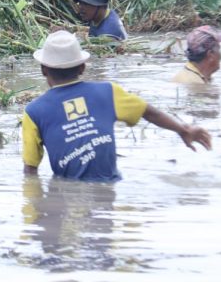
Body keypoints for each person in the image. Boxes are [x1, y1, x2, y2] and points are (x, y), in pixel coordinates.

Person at [22, 30, 211, 181]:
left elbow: (30, 171)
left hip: (67, 195)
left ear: (43, 70)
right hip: (110, 185)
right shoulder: (108, 92)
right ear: (82, 67)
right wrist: (182, 130)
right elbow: (149, 112)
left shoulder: (33, 112)